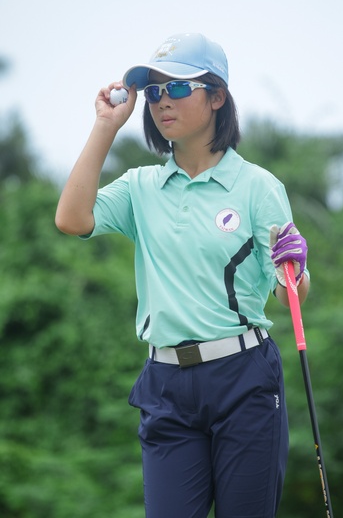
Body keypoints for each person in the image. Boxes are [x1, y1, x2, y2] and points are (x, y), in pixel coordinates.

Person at [55, 32, 310, 518]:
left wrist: (295, 267)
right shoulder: (140, 187)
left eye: (176, 88)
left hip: (244, 377)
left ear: (217, 97)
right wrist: (107, 126)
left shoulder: (258, 187)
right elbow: (71, 218)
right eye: (153, 91)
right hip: (166, 384)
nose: (161, 102)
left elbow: (289, 290)